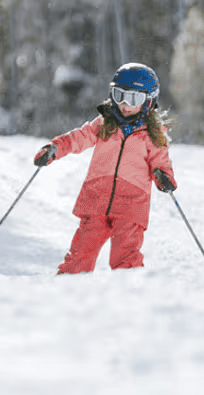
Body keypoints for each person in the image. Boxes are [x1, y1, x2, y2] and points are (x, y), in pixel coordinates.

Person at [32, 62, 177, 274]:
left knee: (125, 258)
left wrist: (164, 177)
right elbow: (78, 138)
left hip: (130, 205)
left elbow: (161, 162)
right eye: (120, 96)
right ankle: (66, 293)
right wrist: (56, 148)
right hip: (96, 201)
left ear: (149, 101)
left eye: (134, 98)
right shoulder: (104, 124)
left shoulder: (153, 136)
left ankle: (134, 296)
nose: (126, 104)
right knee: (79, 256)